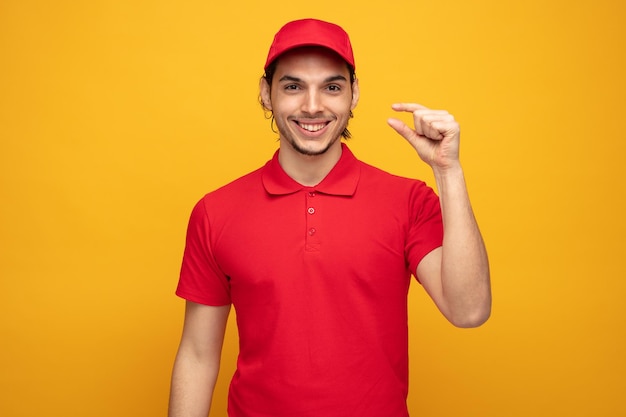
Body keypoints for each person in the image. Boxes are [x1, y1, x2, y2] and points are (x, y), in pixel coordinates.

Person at [168, 18, 491, 417]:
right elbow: (198, 355)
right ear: (266, 94)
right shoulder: (215, 212)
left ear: (354, 94)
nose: (312, 106)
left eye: (332, 87)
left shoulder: (408, 201)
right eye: (293, 86)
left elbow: (469, 310)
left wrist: (448, 172)